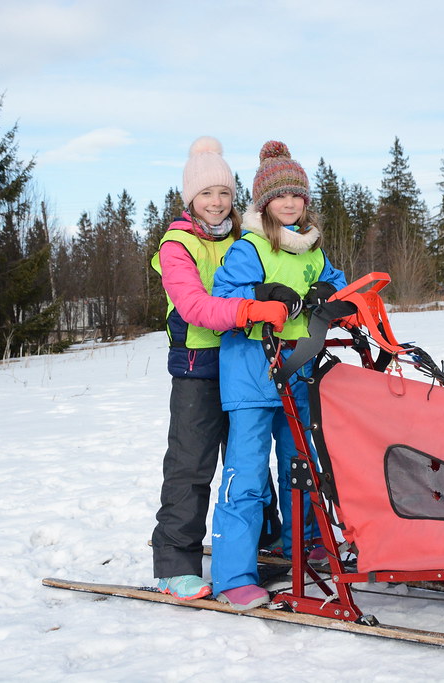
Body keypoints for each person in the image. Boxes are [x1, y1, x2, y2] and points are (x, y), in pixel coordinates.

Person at [210, 140, 347, 610]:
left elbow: (341, 285)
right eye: (280, 196)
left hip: (298, 372)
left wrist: (331, 291)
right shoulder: (249, 247)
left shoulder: (312, 250)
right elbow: (222, 299)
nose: (289, 204)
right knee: (247, 475)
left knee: (301, 466)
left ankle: (304, 546)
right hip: (251, 376)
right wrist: (261, 292)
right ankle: (234, 576)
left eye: (296, 195)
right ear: (264, 202)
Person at [150, 136, 289, 601]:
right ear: (190, 197)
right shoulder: (177, 245)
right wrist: (250, 308)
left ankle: (265, 538)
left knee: (249, 461)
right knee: (192, 465)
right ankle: (175, 564)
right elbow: (193, 306)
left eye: (225, 192)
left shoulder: (244, 238)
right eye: (206, 193)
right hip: (199, 368)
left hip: (246, 361)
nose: (216, 202)